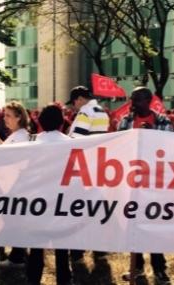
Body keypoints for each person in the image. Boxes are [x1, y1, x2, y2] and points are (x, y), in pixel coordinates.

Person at [118, 86, 172, 285]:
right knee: (134, 227)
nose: (132, 104)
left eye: (137, 100)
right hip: (132, 183)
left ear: (148, 101)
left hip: (155, 184)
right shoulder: (126, 121)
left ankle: (160, 269)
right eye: (132, 99)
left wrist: (153, 139)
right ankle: (137, 267)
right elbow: (119, 148)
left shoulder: (162, 122)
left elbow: (169, 149)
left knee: (154, 227)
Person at [26, 104, 72, 285]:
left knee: (36, 247)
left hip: (37, 203)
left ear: (41, 122)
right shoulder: (72, 143)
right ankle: (64, 280)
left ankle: (33, 279)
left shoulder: (31, 144)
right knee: (62, 249)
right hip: (63, 202)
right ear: (62, 123)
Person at [66, 85, 110, 262]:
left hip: (82, 167)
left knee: (79, 209)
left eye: (74, 103)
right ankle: (100, 249)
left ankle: (77, 251)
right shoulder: (102, 112)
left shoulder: (85, 112)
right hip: (98, 165)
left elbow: (76, 141)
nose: (74, 107)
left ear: (79, 99)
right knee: (95, 208)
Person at [0, 101, 31, 267]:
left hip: (15, 186)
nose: (5, 119)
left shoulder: (21, 136)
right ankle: (18, 255)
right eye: (4, 115)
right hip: (11, 184)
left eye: (8, 115)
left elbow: (10, 158)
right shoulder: (16, 135)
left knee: (14, 221)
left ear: (19, 117)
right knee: (12, 220)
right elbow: (3, 149)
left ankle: (18, 257)